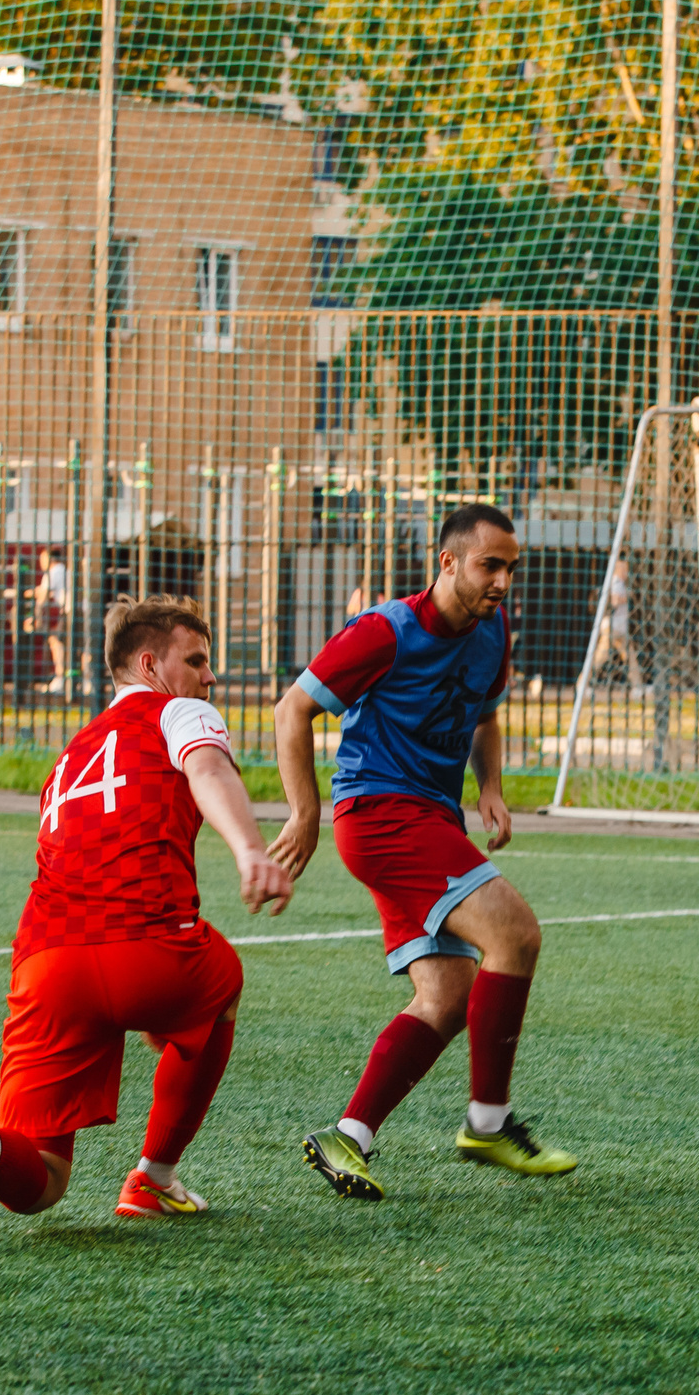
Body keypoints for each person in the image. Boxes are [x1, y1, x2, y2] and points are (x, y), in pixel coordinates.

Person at [0, 597, 295, 1253]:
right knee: (223, 982)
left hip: (44, 964)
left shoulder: (70, 754)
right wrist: (250, 849)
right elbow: (207, 767)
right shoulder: (179, 711)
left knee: (47, 1177)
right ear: (150, 663)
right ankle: (153, 1178)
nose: (209, 677)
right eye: (196, 660)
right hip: (145, 943)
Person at [276, 501, 577, 1199]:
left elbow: (487, 710)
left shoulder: (492, 628)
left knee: (447, 995)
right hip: (381, 813)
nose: (503, 580)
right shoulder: (385, 631)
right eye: (489, 565)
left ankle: (346, 1137)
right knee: (516, 932)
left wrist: (491, 787)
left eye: (511, 567)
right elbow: (293, 709)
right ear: (448, 562)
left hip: (431, 815)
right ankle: (488, 1122)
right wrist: (305, 811)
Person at [581, 555, 647, 697]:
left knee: (629, 658)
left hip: (618, 629)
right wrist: (627, 597)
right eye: (624, 569)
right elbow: (615, 601)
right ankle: (582, 684)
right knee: (599, 658)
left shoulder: (619, 583)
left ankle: (637, 687)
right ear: (617, 569)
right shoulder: (615, 582)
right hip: (612, 628)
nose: (626, 573)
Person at [31, 552, 71, 694]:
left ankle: (60, 679)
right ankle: (77, 680)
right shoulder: (66, 570)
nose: (41, 562)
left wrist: (35, 616)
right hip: (73, 610)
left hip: (67, 611)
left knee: (56, 642)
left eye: (42, 558)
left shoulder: (52, 572)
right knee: (73, 645)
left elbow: (44, 595)